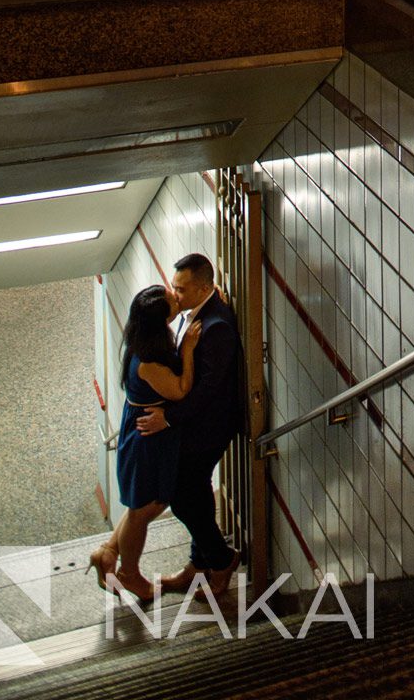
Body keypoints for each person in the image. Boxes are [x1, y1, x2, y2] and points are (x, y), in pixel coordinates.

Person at [135, 252, 247, 598]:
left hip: (208, 427)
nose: (175, 295)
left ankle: (221, 559)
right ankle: (199, 564)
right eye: (175, 287)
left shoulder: (217, 328)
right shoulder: (198, 311)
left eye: (181, 290)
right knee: (194, 493)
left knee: (184, 497)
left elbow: (207, 394)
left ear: (204, 288)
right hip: (194, 424)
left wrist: (167, 418)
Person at [90, 286, 204, 599]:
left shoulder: (142, 340)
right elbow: (181, 390)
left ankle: (108, 552)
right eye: (173, 299)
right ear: (159, 320)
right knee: (144, 509)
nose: (177, 297)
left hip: (143, 431)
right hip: (147, 440)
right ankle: (129, 573)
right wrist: (191, 348)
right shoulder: (149, 362)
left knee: (143, 505)